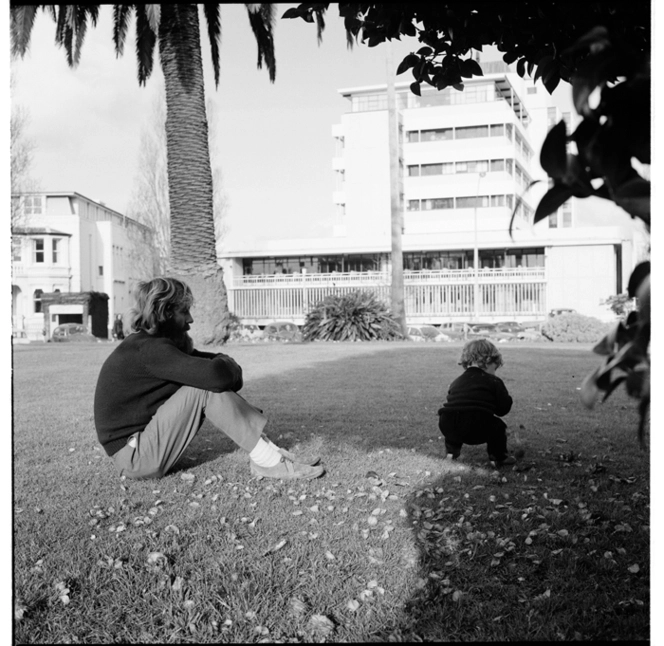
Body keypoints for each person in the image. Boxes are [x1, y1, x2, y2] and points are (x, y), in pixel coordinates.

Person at [93, 277, 324, 481]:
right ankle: (267, 460)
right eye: (185, 311)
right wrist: (225, 366)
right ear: (165, 312)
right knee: (202, 388)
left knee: (205, 382)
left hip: (139, 448)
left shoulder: (155, 345)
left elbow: (218, 369)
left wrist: (224, 366)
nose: (191, 319)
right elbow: (216, 375)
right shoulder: (150, 350)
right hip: (134, 458)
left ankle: (269, 455)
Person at [437, 338, 517, 467]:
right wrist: (508, 399)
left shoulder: (457, 381)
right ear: (489, 361)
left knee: (456, 416)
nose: (494, 372)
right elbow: (502, 410)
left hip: (446, 423)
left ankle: (451, 452)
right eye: (495, 368)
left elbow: (453, 400)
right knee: (498, 426)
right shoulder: (494, 381)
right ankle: (498, 457)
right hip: (476, 426)